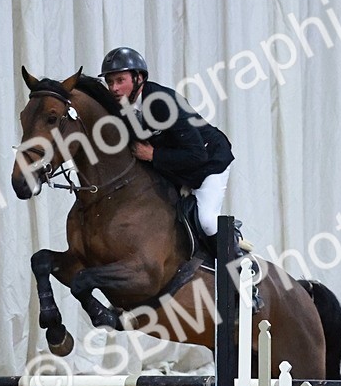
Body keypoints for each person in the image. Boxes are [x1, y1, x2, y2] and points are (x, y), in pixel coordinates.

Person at [99, 46, 245, 260]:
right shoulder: (122, 107)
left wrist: (153, 156)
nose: (113, 88)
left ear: (139, 78)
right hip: (176, 166)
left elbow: (196, 155)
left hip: (209, 162)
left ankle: (239, 270)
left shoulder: (160, 102)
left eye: (120, 80)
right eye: (110, 82)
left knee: (206, 219)